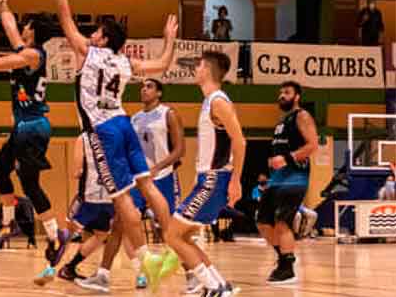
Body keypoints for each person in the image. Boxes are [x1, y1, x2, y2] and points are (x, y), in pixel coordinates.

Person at [50, 0, 180, 292]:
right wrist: (169, 39)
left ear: (104, 39)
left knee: (122, 198)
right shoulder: (126, 63)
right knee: (147, 186)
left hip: (103, 130)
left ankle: (144, 260)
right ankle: (170, 246)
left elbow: (64, 16)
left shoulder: (89, 53)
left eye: (96, 32)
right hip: (124, 122)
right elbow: (164, 66)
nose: (91, 34)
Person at [0, 0, 69, 279]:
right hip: (21, 127)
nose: (20, 27)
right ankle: (9, 225)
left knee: (30, 184)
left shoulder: (34, 56)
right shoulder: (25, 49)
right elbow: (10, 28)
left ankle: (54, 233)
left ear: (33, 31)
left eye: (26, 25)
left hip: (33, 127)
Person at [163, 51, 246, 296]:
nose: (194, 70)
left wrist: (236, 181)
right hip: (207, 179)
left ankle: (213, 288)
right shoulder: (210, 101)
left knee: (172, 234)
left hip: (215, 178)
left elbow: (240, 142)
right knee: (184, 237)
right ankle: (220, 285)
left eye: (198, 66)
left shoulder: (219, 101)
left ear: (207, 70)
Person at [256, 81, 318, 285]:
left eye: (287, 92)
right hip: (277, 179)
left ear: (297, 96)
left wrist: (287, 159)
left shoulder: (302, 116)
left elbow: (312, 145)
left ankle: (287, 268)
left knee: (282, 221)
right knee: (263, 221)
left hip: (295, 178)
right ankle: (284, 258)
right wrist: (273, 161)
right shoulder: (282, 121)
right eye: (281, 92)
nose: (282, 95)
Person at [126, 78, 186, 289]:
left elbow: (180, 150)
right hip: (138, 179)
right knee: (127, 222)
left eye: (149, 86)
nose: (144, 89)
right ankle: (141, 271)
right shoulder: (134, 119)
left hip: (163, 177)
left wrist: (158, 167)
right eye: (142, 86)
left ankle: (193, 272)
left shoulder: (168, 113)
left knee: (173, 229)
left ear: (159, 93)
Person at [56, 131, 115, 283]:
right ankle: (69, 268)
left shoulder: (84, 138)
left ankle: (52, 267)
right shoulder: (115, 135)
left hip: (88, 196)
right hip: (109, 196)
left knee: (69, 231)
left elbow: (77, 172)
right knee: (101, 235)